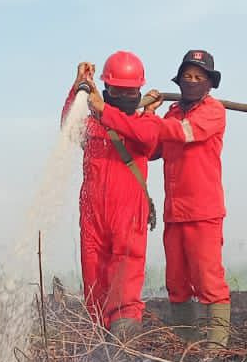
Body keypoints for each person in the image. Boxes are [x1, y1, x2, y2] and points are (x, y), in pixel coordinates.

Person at [89, 49, 229, 345]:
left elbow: (175, 133)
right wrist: (147, 115)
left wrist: (124, 115)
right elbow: (151, 148)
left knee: (209, 281)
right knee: (176, 283)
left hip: (203, 211)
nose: (192, 82)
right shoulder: (173, 112)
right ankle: (187, 344)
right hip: (174, 211)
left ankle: (217, 349)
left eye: (198, 77)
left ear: (209, 83)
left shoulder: (213, 111)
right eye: (187, 76)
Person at [64, 52, 160, 335]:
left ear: (139, 91)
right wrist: (78, 87)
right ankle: (98, 340)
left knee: (125, 279)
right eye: (118, 91)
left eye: (130, 92)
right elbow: (69, 126)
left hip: (128, 216)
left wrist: (104, 108)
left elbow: (147, 138)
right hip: (92, 216)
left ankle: (124, 345)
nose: (125, 96)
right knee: (94, 278)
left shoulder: (146, 123)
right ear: (106, 88)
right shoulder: (93, 126)